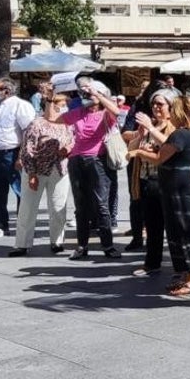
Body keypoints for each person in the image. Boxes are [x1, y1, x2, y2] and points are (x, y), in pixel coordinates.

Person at [130, 95, 190, 296]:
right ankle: (185, 275)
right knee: (180, 232)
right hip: (184, 190)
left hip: (180, 193)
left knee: (183, 233)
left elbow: (159, 158)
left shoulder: (180, 134)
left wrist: (138, 153)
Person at [60, 79, 121, 260]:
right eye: (84, 93)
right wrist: (50, 99)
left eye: (89, 94)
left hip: (96, 161)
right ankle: (81, 246)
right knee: (81, 206)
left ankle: (108, 245)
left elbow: (117, 111)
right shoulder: (78, 112)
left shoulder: (105, 114)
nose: (86, 96)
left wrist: (98, 93)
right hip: (76, 160)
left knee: (101, 204)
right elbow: (53, 119)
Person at [10, 92, 73, 257]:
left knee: (58, 206)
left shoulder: (68, 123)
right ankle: (22, 244)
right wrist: (31, 174)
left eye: (66, 103)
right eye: (61, 102)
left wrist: (69, 149)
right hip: (36, 170)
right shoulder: (36, 124)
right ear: (51, 103)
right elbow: (28, 150)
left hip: (60, 169)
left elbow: (75, 140)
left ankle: (57, 241)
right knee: (28, 207)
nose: (64, 106)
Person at [125, 89, 178, 276]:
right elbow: (131, 150)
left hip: (166, 182)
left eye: (160, 104)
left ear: (170, 107)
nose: (155, 107)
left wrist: (148, 143)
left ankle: (180, 267)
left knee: (172, 227)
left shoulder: (173, 127)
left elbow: (168, 148)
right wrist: (140, 135)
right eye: (154, 103)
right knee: (153, 226)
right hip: (147, 181)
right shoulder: (150, 126)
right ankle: (152, 263)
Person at [0, 78, 36, 239]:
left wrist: (22, 156)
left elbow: (29, 132)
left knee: (20, 191)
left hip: (12, 153)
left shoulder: (21, 105)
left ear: (6, 90)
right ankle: (1, 225)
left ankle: (23, 226)